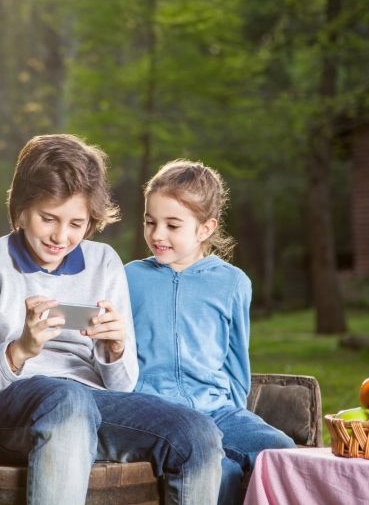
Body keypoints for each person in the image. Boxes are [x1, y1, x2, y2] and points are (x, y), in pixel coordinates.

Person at [0, 135, 223, 505]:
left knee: (195, 432)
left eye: (76, 223)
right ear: (22, 208)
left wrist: (116, 348)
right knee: (67, 399)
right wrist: (20, 350)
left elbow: (121, 388)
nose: (62, 237)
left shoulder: (104, 262)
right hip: (8, 409)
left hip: (93, 402)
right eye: (48, 219)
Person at [125, 159, 296, 505]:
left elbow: (236, 363)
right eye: (150, 222)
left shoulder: (232, 283)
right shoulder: (128, 278)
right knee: (223, 471)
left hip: (218, 409)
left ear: (205, 228)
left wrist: (230, 413)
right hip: (158, 410)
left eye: (172, 225)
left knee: (284, 452)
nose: (157, 234)